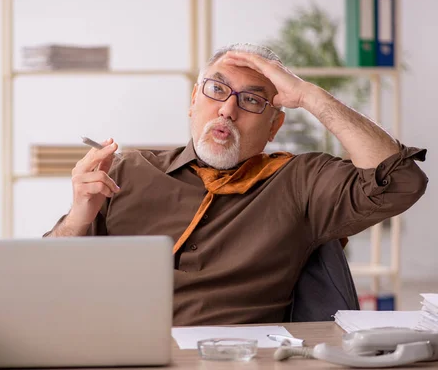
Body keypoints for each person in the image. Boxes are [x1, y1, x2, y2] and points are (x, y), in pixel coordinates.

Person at [44, 43, 428, 326]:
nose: (228, 108)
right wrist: (78, 217)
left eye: (251, 100)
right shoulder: (127, 171)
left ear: (275, 126)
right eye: (216, 90)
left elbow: (400, 181)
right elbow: (45, 280)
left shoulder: (299, 182)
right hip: (121, 352)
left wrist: (310, 96)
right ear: (194, 100)